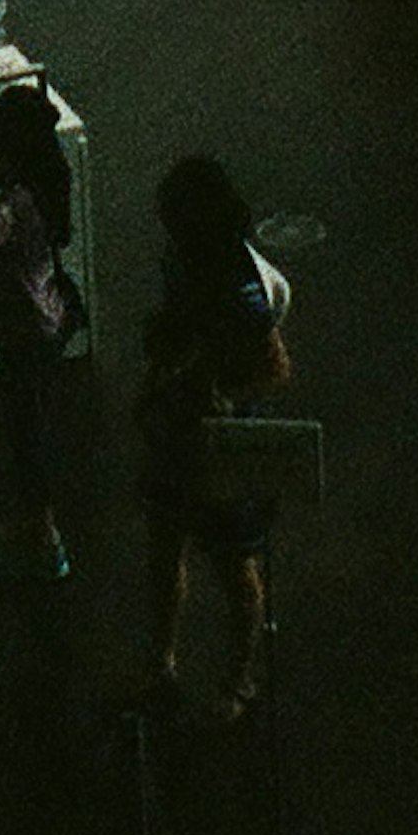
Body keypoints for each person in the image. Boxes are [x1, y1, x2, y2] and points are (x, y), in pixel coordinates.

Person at [136, 153, 292, 717]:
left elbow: (275, 367)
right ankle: (162, 661)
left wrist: (224, 396)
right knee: (167, 545)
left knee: (234, 565)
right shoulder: (185, 258)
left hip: (221, 441)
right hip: (179, 423)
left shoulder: (240, 289)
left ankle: (238, 680)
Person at [0, 69, 86, 580]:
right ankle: (34, 527)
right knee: (31, 427)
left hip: (22, 331)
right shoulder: (45, 178)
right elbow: (4, 176)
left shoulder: (14, 205)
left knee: (25, 436)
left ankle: (45, 541)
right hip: (49, 318)